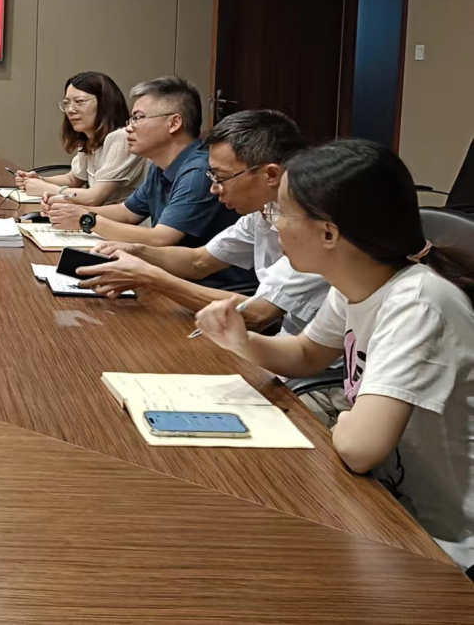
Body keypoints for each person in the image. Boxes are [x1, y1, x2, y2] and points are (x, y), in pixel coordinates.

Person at [194, 139, 474, 573]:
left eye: (281, 212)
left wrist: (346, 417)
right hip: (385, 502)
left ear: (329, 232)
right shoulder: (359, 282)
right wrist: (241, 340)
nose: (274, 223)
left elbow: (360, 448)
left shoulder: (418, 302)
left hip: (443, 542)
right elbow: (306, 353)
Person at [80, 109, 327, 333]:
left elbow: (257, 314)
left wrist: (151, 278)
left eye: (221, 177)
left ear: (270, 174)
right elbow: (199, 261)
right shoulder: (261, 213)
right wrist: (137, 251)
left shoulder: (315, 228)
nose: (213, 188)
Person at [44, 76, 252, 290]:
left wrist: (86, 219)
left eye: (138, 118)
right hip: (172, 279)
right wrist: (70, 210)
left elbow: (161, 239)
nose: (129, 128)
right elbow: (127, 212)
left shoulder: (198, 172)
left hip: (213, 288)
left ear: (174, 123)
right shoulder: (160, 165)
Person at [13, 71, 146, 205]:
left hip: (117, 217)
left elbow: (93, 198)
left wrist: (46, 188)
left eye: (79, 102)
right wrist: (40, 180)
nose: (70, 110)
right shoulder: (89, 138)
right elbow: (74, 179)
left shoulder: (123, 138)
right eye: (67, 103)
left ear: (104, 103)